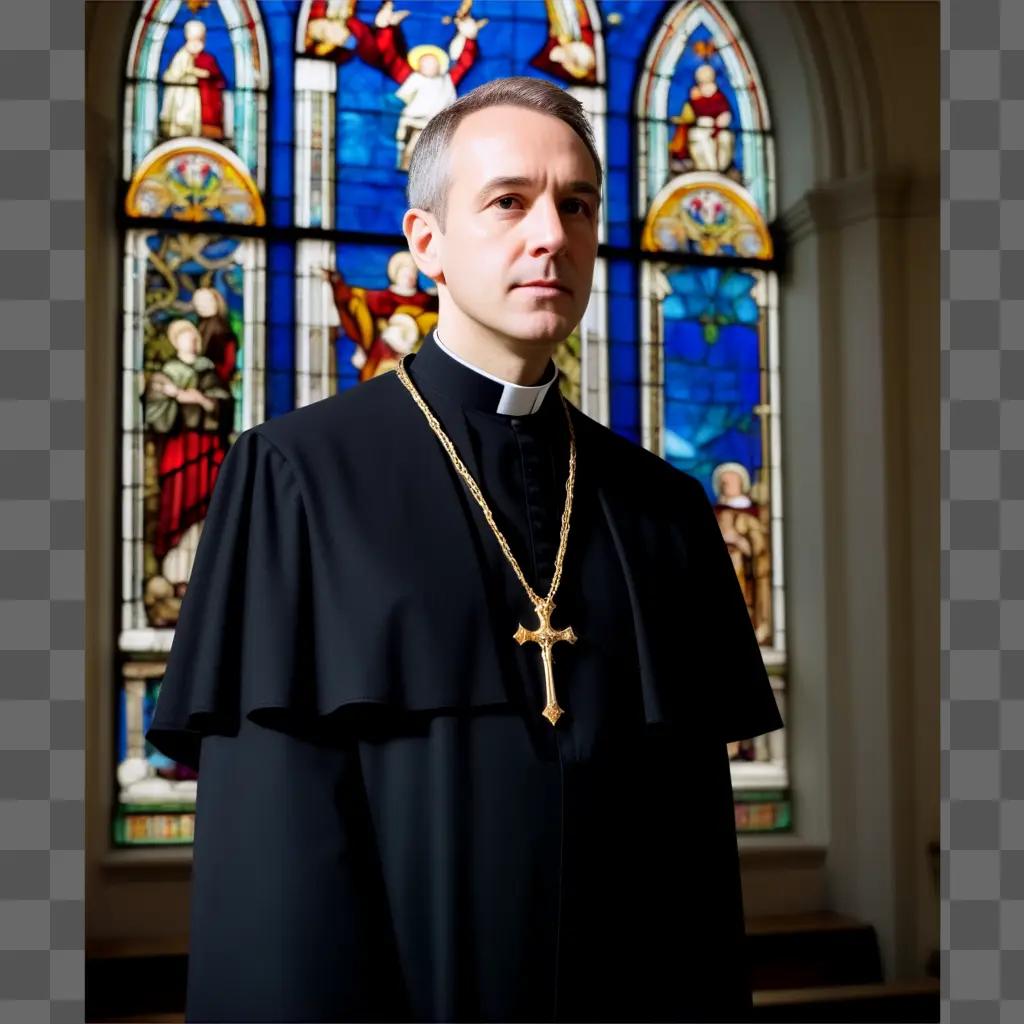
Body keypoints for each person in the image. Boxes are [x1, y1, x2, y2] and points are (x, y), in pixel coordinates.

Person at [146, 76, 783, 1023]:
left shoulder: (665, 511)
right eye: (509, 202)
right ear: (426, 243)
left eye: (576, 205)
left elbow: (696, 881)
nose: (551, 236)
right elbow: (273, 879)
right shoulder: (293, 478)